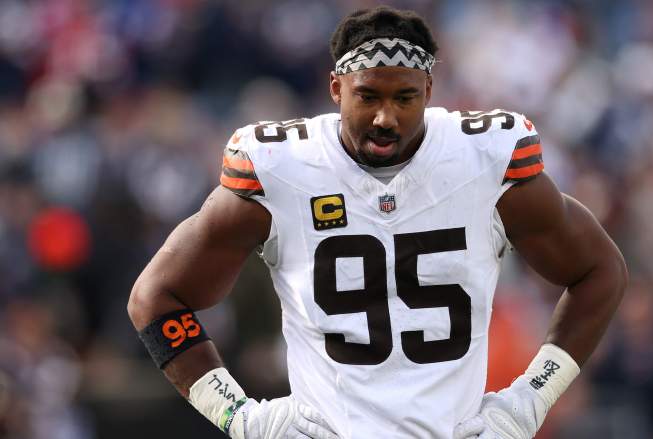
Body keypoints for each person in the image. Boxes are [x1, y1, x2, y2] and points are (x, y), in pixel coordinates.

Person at [127, 6, 627, 439]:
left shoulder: (484, 160)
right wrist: (237, 416)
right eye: (368, 96)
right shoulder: (282, 169)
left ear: (429, 91)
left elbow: (601, 272)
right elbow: (155, 298)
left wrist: (528, 402)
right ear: (335, 90)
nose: (386, 118)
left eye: (405, 98)